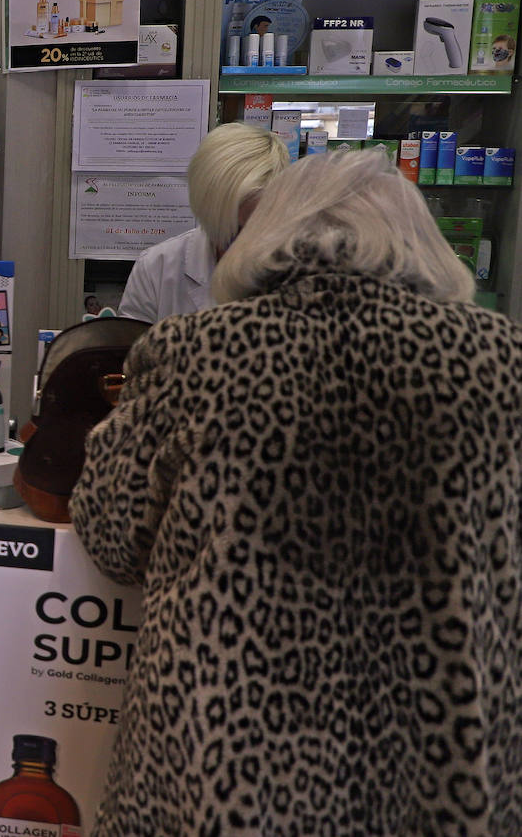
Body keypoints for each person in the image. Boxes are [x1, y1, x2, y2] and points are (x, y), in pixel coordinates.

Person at [70, 150, 522, 835]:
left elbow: (110, 532)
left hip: (223, 749)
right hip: (438, 749)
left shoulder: (196, 352)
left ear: (267, 232)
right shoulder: (501, 362)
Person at [118, 123, 290, 323]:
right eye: (232, 228)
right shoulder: (158, 267)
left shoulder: (302, 270)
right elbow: (131, 349)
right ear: (206, 211)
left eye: (257, 226)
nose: (243, 243)